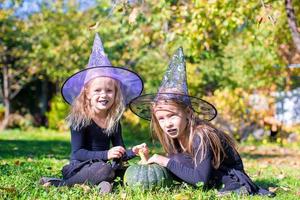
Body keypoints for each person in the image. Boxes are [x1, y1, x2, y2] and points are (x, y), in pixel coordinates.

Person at [129, 47, 275, 197]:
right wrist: (149, 160)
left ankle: (236, 188)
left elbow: (200, 179)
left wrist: (164, 161)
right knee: (175, 158)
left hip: (227, 175)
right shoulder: (176, 134)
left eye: (172, 115)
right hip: (205, 171)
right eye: (161, 118)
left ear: (188, 113)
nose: (168, 123)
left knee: (172, 161)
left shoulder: (201, 135)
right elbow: (179, 161)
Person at [40, 33, 148, 193]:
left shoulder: (114, 120)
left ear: (115, 94)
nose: (104, 95)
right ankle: (58, 183)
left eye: (109, 91)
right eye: (97, 90)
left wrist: (134, 151)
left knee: (124, 172)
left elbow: (119, 153)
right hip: (79, 167)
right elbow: (78, 152)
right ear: (87, 93)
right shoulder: (80, 119)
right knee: (105, 170)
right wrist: (107, 153)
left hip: (104, 165)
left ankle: (103, 185)